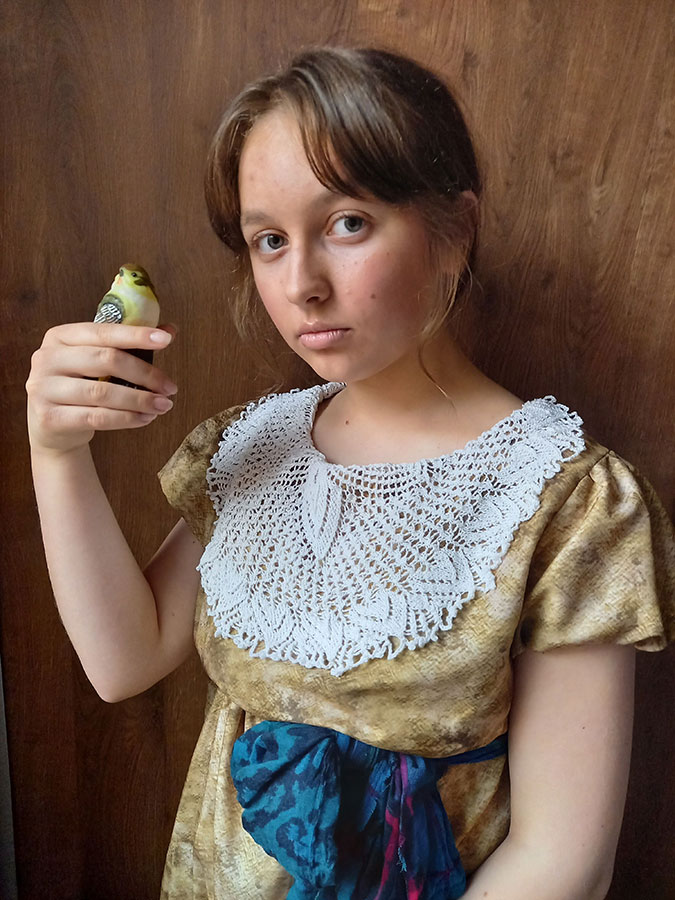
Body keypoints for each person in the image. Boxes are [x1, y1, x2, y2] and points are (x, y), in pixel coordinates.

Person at [26, 46, 674, 900]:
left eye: (347, 224)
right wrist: (56, 452)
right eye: (268, 240)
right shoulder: (252, 450)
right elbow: (123, 661)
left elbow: (565, 865)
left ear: (454, 228)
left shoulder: (567, 499)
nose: (301, 285)